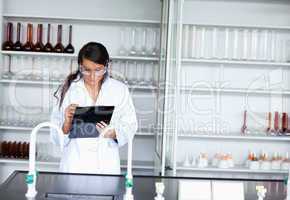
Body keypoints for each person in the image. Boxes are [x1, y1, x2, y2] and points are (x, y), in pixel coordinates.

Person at [50, 42, 138, 174]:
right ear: (80, 66)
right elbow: (56, 138)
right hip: (75, 165)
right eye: (86, 70)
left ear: (107, 65)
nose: (92, 77)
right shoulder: (68, 90)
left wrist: (113, 133)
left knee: (107, 194)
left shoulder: (119, 90)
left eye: (98, 70)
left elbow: (130, 126)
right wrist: (66, 123)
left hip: (106, 165)